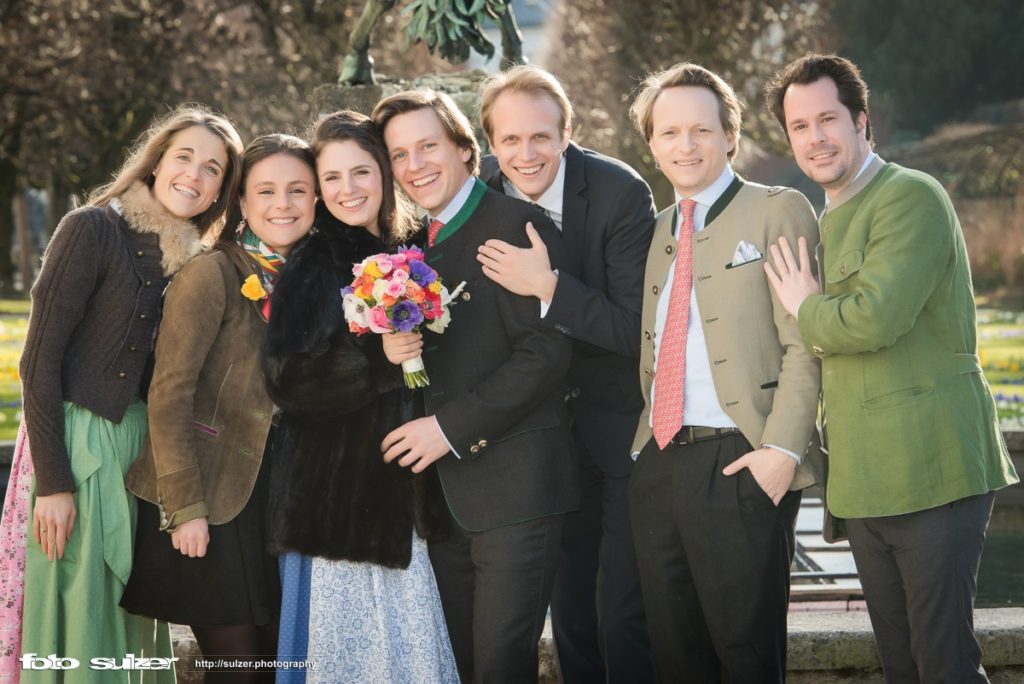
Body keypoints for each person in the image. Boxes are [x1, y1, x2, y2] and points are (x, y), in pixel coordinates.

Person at [763, 53, 1020, 683]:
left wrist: (805, 306)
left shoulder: (909, 196)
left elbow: (875, 319)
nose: (815, 137)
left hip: (933, 471)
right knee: (903, 666)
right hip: (865, 483)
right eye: (800, 126)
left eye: (828, 119)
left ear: (861, 122)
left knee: (944, 663)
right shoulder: (825, 220)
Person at [12, 104, 243, 682]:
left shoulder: (200, 262)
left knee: (132, 619)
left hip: (143, 457)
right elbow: (37, 363)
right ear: (157, 159)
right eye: (184, 156)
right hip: (77, 446)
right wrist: (56, 485)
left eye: (213, 167)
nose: (194, 174)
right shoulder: (91, 228)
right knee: (78, 613)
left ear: (223, 188)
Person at [626, 63, 822, 682]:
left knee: (747, 658)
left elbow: (807, 343)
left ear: (730, 136)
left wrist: (781, 452)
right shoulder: (658, 231)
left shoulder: (778, 209)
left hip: (742, 461)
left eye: (701, 131)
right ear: (652, 144)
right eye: (669, 133)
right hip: (659, 463)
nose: (685, 146)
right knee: (676, 657)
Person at [372, 89, 577, 683]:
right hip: (440, 504)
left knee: (499, 669)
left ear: (465, 148)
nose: (416, 165)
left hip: (516, 493)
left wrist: (448, 429)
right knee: (458, 667)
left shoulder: (517, 225)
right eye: (400, 154)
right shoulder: (406, 246)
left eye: (428, 146)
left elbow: (548, 353)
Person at [474, 65, 657, 683]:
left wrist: (549, 288)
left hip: (618, 426)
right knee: (569, 611)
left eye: (540, 138)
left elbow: (638, 331)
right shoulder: (480, 194)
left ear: (567, 132)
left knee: (624, 610)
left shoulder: (618, 192)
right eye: (510, 141)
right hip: (533, 436)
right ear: (490, 144)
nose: (525, 155)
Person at [261, 111, 456, 684]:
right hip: (343, 502)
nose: (348, 190)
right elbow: (287, 380)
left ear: (385, 172)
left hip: (413, 488)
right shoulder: (315, 261)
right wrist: (380, 361)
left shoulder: (415, 246)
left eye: (361, 172)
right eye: (332, 178)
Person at [121, 134, 317, 682]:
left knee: (279, 665)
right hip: (207, 499)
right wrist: (184, 507)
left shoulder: (313, 280)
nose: (284, 204)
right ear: (243, 203)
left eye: (298, 190)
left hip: (274, 504)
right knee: (239, 673)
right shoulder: (212, 274)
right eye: (267, 191)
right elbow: (169, 393)